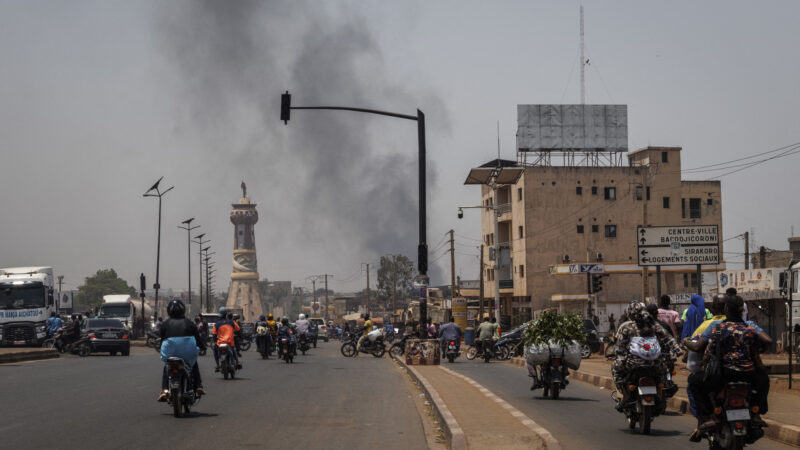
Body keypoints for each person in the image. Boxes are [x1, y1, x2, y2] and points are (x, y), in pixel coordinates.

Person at [687, 295, 770, 441]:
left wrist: (702, 368)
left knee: (694, 381)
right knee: (764, 380)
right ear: (741, 310)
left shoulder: (719, 328)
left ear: (726, 309)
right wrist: (761, 369)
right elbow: (756, 356)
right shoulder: (750, 329)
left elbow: (707, 354)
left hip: (723, 375)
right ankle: (756, 413)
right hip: (747, 375)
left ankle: (707, 417)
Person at [612, 301, 682, 412]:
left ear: (630, 313)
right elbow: (668, 338)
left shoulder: (626, 327)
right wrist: (677, 350)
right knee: (664, 374)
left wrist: (619, 359)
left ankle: (625, 396)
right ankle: (661, 396)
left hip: (633, 364)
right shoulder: (654, 324)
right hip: (655, 363)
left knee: (616, 371)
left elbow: (619, 347)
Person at [157, 299, 206, 402]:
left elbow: (162, 340)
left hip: (169, 352)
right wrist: (203, 347)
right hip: (187, 353)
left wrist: (161, 348)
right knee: (193, 365)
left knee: (166, 367)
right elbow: (198, 339)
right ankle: (198, 386)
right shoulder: (189, 323)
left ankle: (164, 390)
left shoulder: (165, 324)